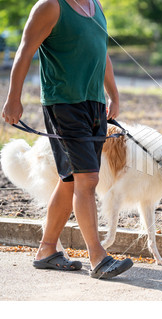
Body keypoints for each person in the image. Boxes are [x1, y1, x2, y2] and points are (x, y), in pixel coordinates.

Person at [1, 0, 133, 279]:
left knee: (71, 179)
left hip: (94, 105)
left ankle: (46, 250)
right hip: (64, 104)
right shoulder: (50, 6)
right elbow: (25, 51)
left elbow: (102, 52)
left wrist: (113, 95)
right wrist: (13, 97)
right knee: (88, 179)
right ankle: (98, 258)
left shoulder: (94, 6)